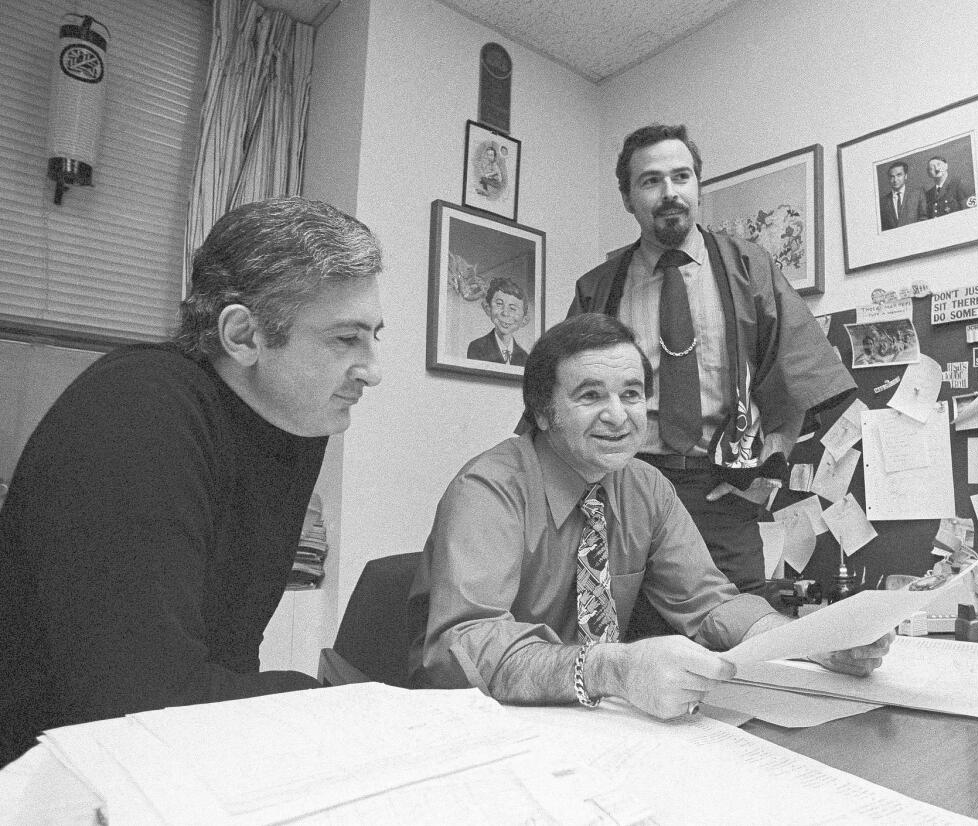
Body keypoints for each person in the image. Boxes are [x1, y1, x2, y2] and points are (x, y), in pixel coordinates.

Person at [0, 197, 384, 767]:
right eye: (345, 339)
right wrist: (344, 707)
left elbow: (229, 652)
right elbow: (138, 707)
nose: (373, 369)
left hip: (155, 763)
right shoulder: (137, 410)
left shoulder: (286, 425)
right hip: (43, 774)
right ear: (243, 336)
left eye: (375, 336)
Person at [409, 313, 891, 718]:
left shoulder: (646, 487)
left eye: (632, 394)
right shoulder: (488, 490)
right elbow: (465, 648)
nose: (619, 417)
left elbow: (709, 603)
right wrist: (608, 668)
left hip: (596, 726)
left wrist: (811, 640)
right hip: (475, 725)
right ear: (541, 411)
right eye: (590, 395)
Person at [566, 124, 856, 636]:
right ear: (629, 199)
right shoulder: (599, 288)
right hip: (626, 484)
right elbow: (562, 395)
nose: (669, 191)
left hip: (721, 489)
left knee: (736, 638)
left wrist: (770, 465)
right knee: (622, 635)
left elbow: (806, 373)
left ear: (699, 186)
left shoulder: (749, 268)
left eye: (682, 176)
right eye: (651, 181)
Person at [466, 277, 530, 366]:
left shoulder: (524, 357)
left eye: (513, 308)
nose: (505, 313)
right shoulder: (478, 347)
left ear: (524, 319)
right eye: (499, 304)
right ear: (488, 308)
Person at [879, 161, 928, 230]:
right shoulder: (882, 202)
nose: (895, 180)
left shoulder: (918, 194)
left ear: (905, 176)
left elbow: (924, 219)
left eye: (899, 175)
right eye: (892, 176)